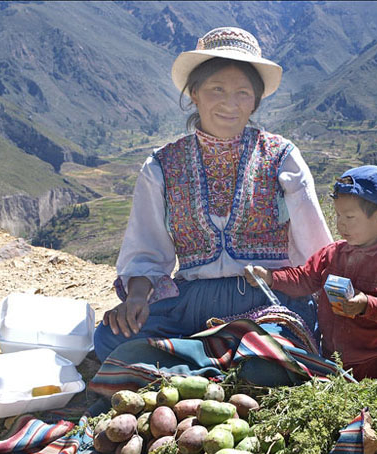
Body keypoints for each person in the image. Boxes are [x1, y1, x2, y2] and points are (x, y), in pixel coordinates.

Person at [93, 27, 332, 362]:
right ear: (195, 93)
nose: (229, 104)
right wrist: (135, 300)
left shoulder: (281, 157)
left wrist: (338, 303)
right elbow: (146, 250)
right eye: (216, 89)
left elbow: (316, 250)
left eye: (243, 93)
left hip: (267, 298)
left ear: (256, 100)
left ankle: (195, 358)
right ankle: (219, 357)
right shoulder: (162, 165)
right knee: (109, 338)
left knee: (271, 352)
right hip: (192, 301)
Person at [244, 165, 377, 392]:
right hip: (334, 358)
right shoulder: (332, 254)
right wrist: (270, 277)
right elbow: (304, 279)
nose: (340, 223)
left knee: (376, 413)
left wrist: (367, 304)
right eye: (337, 215)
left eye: (349, 216)